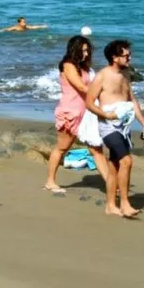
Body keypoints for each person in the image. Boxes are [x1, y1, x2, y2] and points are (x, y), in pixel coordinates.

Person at [86, 39, 144, 218]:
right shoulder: (102, 76)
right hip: (108, 126)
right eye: (126, 55)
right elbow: (89, 103)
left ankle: (110, 205)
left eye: (130, 55)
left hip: (123, 125)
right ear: (115, 58)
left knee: (114, 165)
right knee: (127, 161)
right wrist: (106, 115)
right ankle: (124, 203)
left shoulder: (126, 73)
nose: (129, 58)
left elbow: (132, 101)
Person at [46, 35, 105, 195]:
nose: (86, 54)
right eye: (83, 51)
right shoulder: (68, 65)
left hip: (86, 113)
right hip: (70, 112)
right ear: (74, 50)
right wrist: (103, 93)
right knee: (62, 148)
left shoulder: (85, 68)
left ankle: (111, 183)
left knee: (96, 149)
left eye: (88, 51)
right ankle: (50, 181)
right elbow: (82, 87)